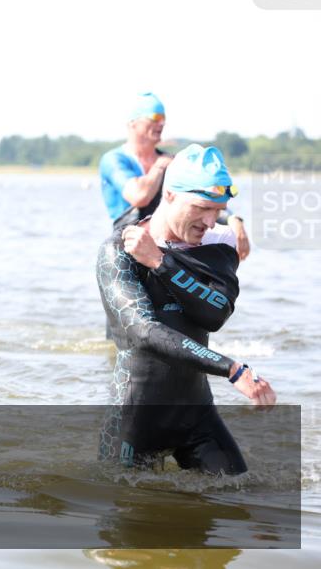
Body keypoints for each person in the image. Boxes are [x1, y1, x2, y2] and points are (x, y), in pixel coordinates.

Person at [96, 144, 276, 475]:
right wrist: (231, 369)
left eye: (218, 210)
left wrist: (161, 263)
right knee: (128, 516)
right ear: (170, 196)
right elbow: (145, 333)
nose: (210, 221)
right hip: (135, 420)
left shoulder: (219, 243)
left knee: (248, 500)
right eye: (202, 208)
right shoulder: (119, 250)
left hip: (197, 416)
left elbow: (215, 314)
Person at [99, 92, 250, 260]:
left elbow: (205, 198)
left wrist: (234, 220)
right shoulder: (114, 160)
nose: (161, 123)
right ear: (132, 123)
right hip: (128, 246)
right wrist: (159, 166)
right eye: (155, 117)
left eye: (163, 118)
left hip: (168, 245)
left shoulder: (170, 162)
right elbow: (139, 196)